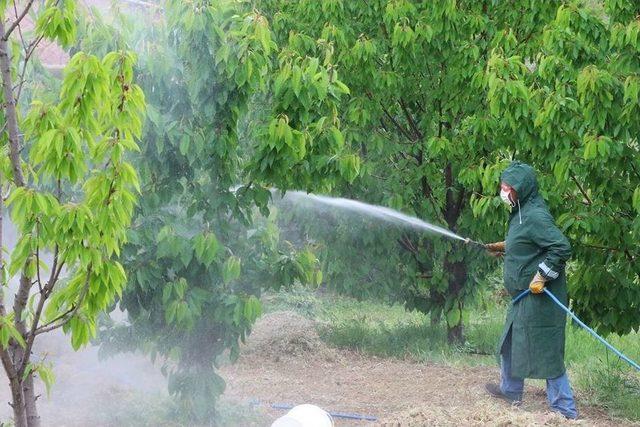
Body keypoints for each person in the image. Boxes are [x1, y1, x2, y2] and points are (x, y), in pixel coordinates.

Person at [483, 161, 578, 419]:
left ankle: (564, 410)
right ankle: (511, 392)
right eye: (502, 185)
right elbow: (529, 240)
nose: (503, 191)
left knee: (546, 352)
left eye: (508, 187)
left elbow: (561, 247)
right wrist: (505, 246)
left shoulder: (535, 215)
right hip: (522, 299)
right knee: (511, 342)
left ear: (521, 189)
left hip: (541, 298)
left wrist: (541, 276)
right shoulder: (520, 210)